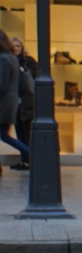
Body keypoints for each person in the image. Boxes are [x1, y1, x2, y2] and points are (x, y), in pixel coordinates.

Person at [0, 29, 31, 175]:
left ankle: (33, 156)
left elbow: (2, 85)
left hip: (4, 104)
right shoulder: (11, 57)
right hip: (9, 103)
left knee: (5, 136)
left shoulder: (4, 59)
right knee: (5, 135)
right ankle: (33, 156)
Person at [10, 35, 34, 170]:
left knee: (26, 132)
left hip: (26, 102)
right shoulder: (9, 60)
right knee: (19, 132)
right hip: (15, 102)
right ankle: (24, 160)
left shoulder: (28, 61)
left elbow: (34, 77)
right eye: (13, 46)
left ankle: (30, 160)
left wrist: (24, 71)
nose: (16, 49)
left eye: (18, 46)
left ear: (22, 48)